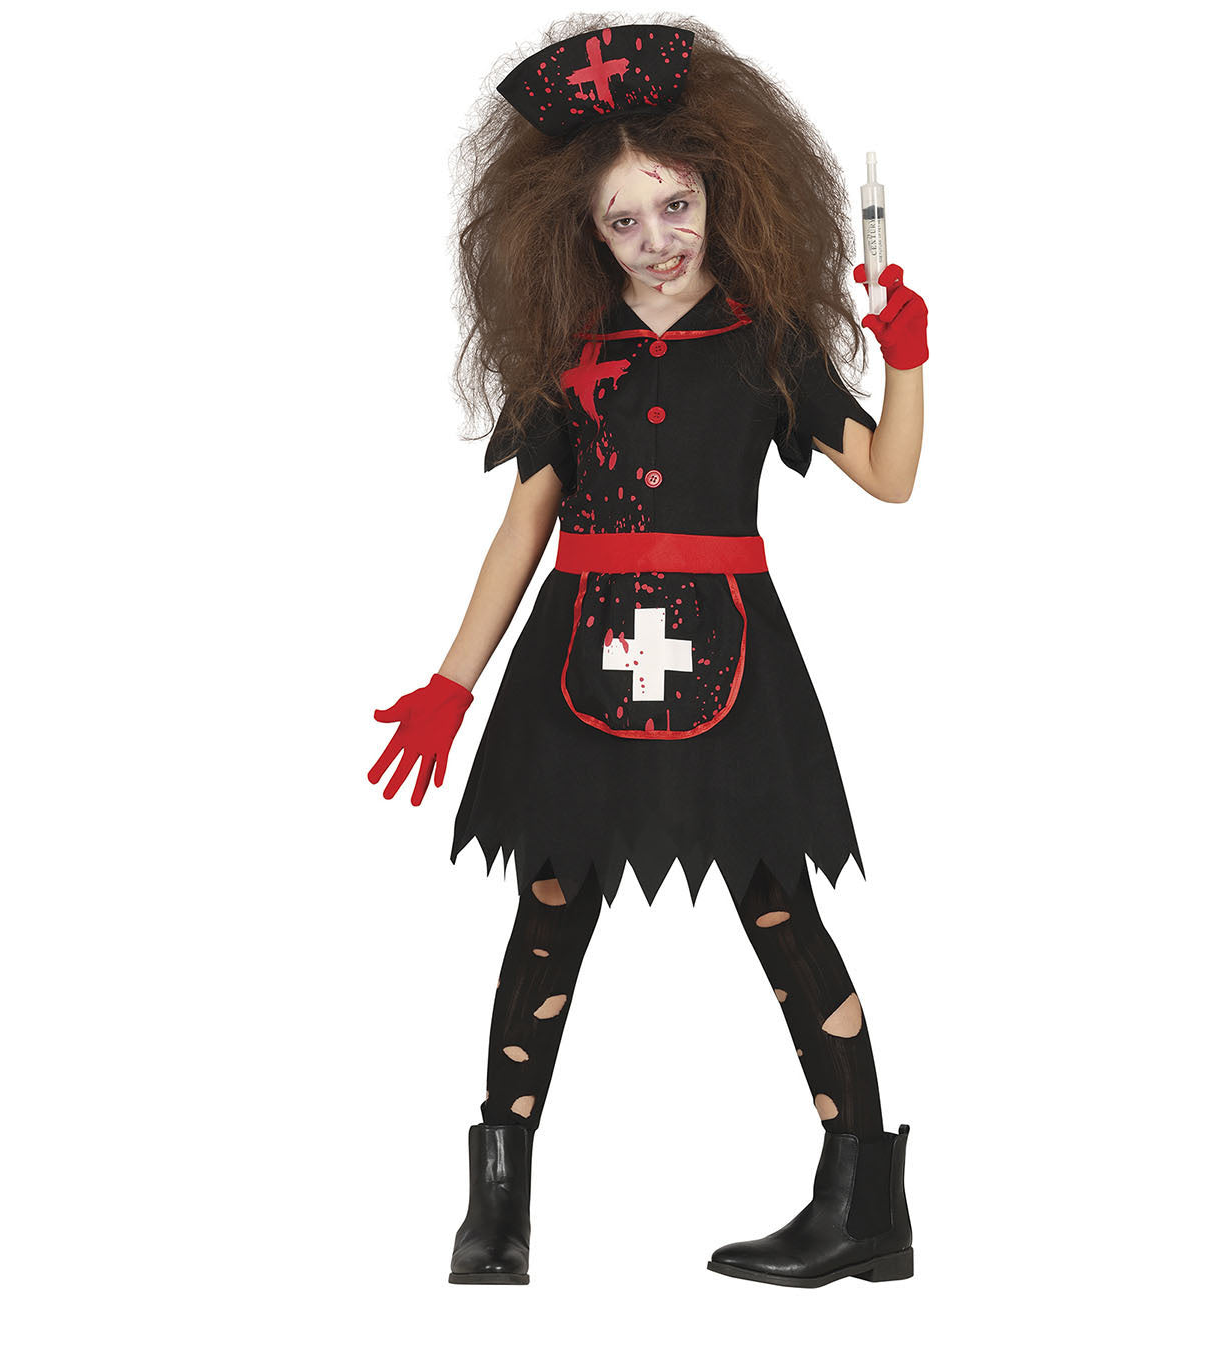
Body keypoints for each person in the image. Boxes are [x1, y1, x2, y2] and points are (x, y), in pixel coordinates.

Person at [368, 18, 928, 1289]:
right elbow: (524, 528)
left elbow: (889, 478)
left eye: (675, 204)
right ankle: (497, 1207)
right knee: (548, 910)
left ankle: (867, 1206)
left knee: (780, 905)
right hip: (576, 661)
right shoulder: (573, 355)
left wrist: (903, 359)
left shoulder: (768, 342)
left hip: (734, 666)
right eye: (624, 221)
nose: (658, 238)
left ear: (722, 186)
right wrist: (451, 684)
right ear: (582, 228)